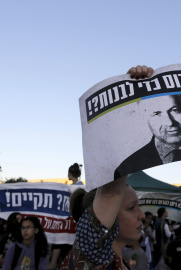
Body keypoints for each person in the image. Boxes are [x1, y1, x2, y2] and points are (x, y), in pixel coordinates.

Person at [60, 65, 153, 270]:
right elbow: (112, 191)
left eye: (137, 206)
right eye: (131, 208)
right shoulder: (91, 255)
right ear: (106, 216)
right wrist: (134, 96)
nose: (141, 215)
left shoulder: (120, 261)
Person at [48, 162, 83, 269]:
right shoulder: (80, 186)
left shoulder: (73, 187)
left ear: (70, 173)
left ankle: (54, 263)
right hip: (73, 220)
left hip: (71, 220)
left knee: (59, 238)